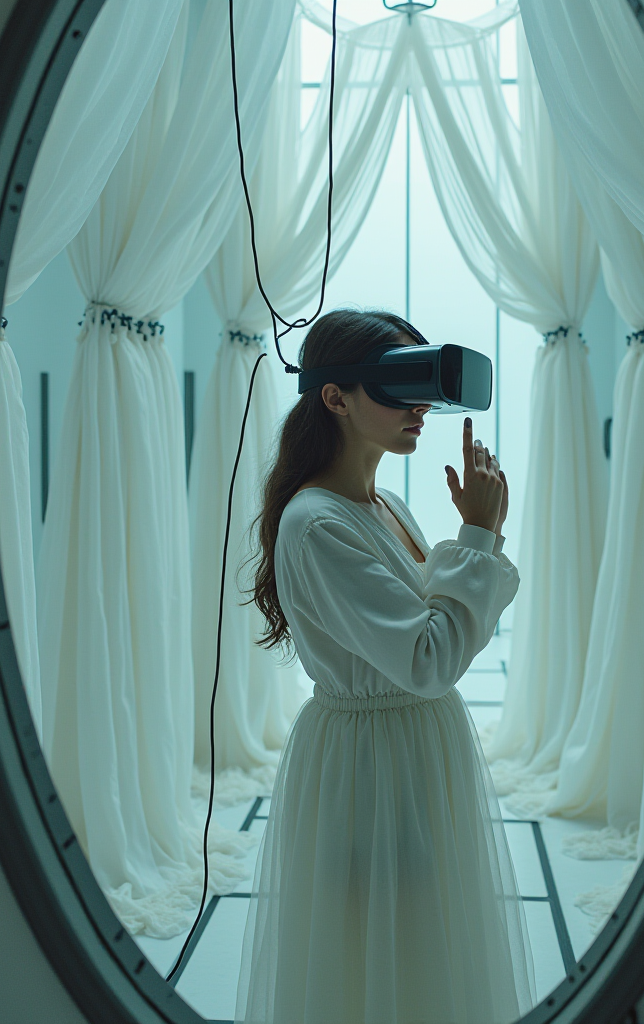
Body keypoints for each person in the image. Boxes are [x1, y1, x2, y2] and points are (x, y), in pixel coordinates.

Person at [235, 309, 535, 1024]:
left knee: (422, 947)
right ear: (334, 396)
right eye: (399, 384)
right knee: (365, 957)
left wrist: (477, 538)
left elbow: (443, 640)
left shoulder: (385, 503)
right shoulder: (316, 523)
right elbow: (430, 659)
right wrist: (476, 536)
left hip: (415, 746)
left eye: (422, 382)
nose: (421, 405)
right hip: (370, 762)